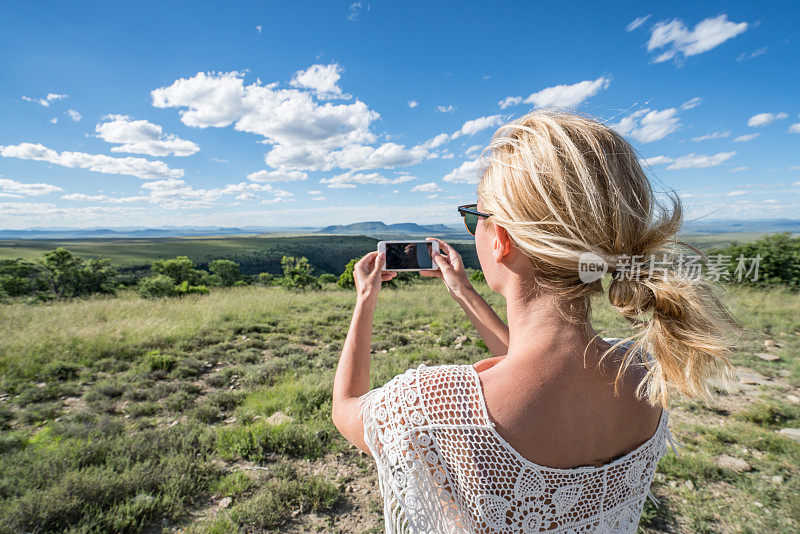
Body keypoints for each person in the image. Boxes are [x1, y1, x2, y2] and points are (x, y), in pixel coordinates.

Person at [331, 109, 739, 533]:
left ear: (501, 239)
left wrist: (366, 297)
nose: (473, 228)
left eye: (476, 216)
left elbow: (345, 409)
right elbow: (538, 369)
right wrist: (463, 290)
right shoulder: (644, 378)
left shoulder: (436, 407)